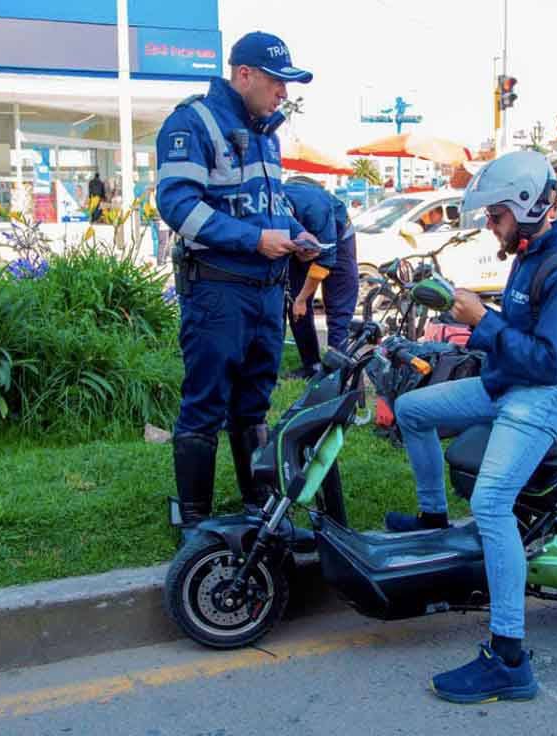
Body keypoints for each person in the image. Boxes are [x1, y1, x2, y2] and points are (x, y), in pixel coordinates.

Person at [384, 150, 557, 703]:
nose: (491, 225)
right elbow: (520, 338)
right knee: (413, 411)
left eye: (497, 215)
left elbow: (549, 362)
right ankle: (434, 516)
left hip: (550, 397)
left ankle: (509, 659)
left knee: (490, 505)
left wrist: (482, 322)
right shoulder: (528, 256)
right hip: (510, 383)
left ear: (528, 207)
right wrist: (469, 312)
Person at [155, 31, 317, 524]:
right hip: (218, 292)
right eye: (276, 82)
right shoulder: (192, 122)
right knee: (205, 404)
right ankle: (198, 524)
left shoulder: (266, 130)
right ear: (243, 74)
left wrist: (294, 230)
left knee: (253, 407)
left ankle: (258, 510)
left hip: (266, 294)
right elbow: (176, 205)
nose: (283, 93)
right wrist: (254, 241)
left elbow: (266, 205)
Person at [283, 176, 360, 377]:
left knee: (338, 309)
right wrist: (297, 300)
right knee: (295, 307)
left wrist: (302, 298)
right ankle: (311, 366)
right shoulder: (269, 208)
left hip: (340, 241)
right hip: (303, 233)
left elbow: (324, 261)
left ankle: (337, 372)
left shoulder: (316, 208)